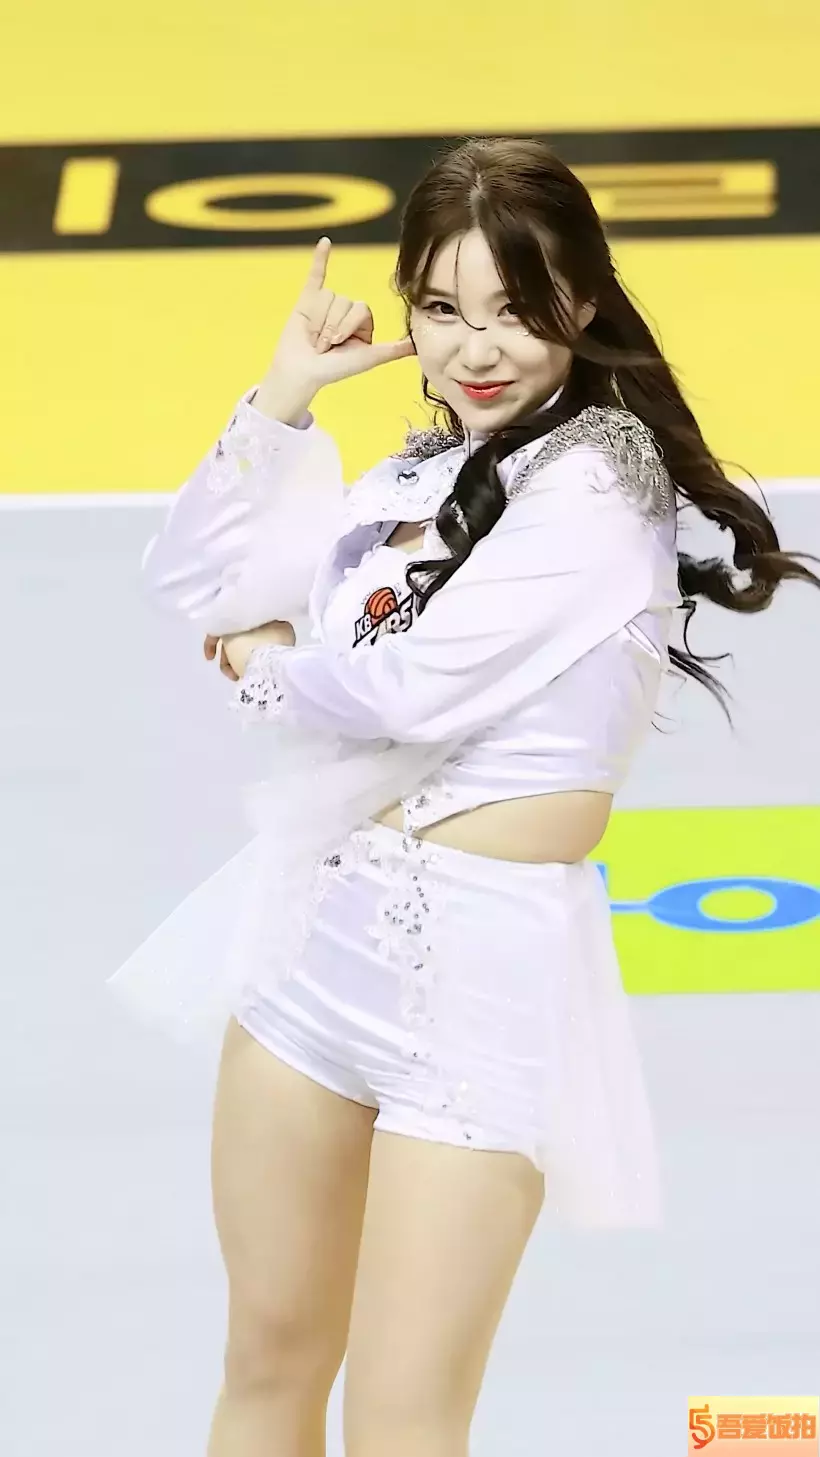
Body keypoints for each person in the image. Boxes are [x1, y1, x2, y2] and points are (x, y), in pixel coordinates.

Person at [111, 138, 820, 1457]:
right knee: (268, 1357)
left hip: (481, 978)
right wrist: (282, 401)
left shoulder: (602, 490)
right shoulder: (412, 480)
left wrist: (267, 661)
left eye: (514, 308)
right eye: (441, 308)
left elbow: (397, 692)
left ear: (581, 303)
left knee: (403, 1418)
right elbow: (190, 582)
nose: (475, 348)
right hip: (316, 940)